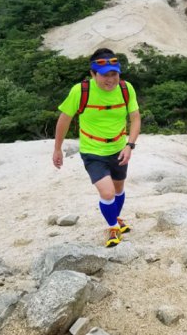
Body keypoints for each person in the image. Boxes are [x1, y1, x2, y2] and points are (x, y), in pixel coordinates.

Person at [52, 48, 141, 247]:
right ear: (93, 74)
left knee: (118, 189)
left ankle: (115, 218)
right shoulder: (80, 91)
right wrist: (58, 148)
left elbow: (135, 118)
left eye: (114, 74)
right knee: (107, 193)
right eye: (104, 75)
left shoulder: (126, 89)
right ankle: (113, 227)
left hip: (119, 148)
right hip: (92, 151)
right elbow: (64, 120)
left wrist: (130, 145)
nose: (110, 79)